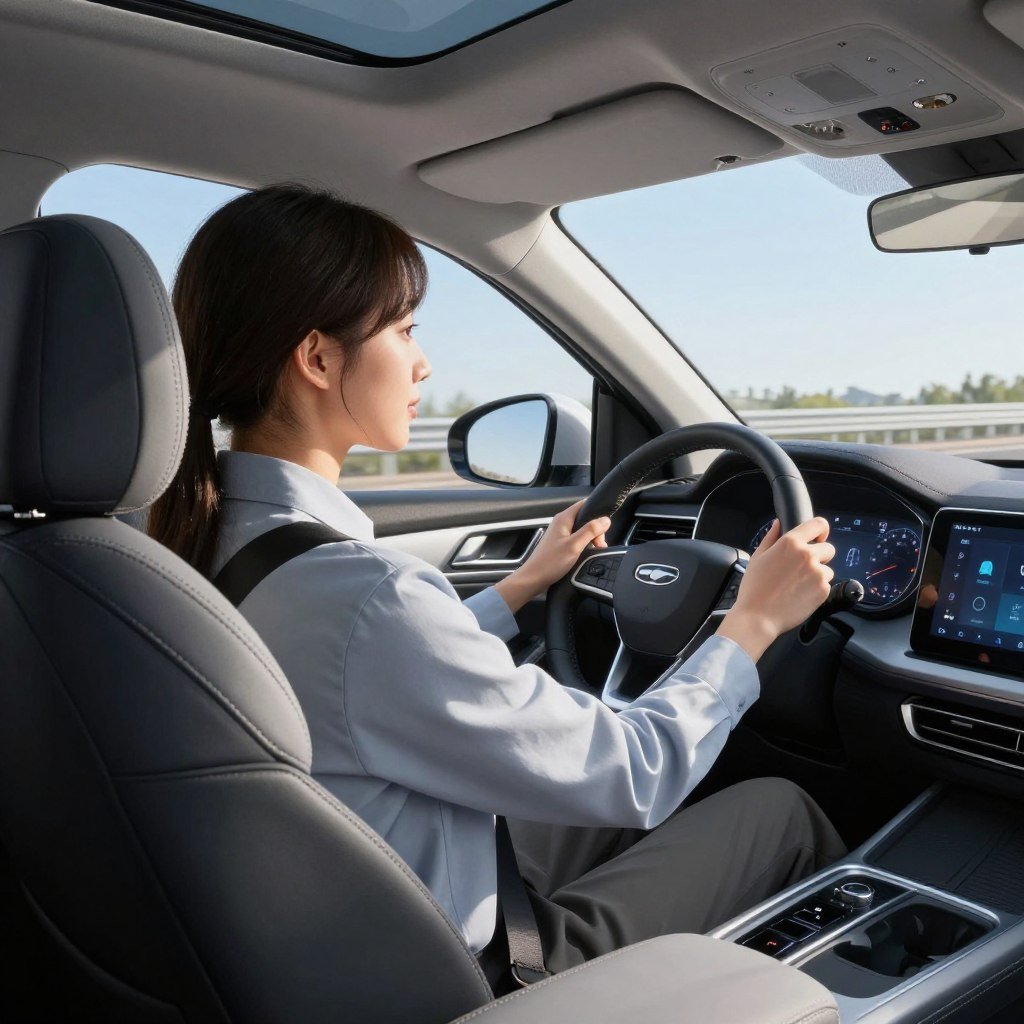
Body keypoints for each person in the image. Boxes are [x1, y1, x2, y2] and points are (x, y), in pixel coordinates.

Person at [149, 183, 845, 981]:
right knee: (777, 811)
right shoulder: (367, 597)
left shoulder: (201, 543)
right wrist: (750, 624)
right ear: (316, 357)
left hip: (334, 929)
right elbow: (633, 770)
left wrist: (517, 591)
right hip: (467, 969)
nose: (423, 361)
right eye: (404, 329)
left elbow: (360, 680)